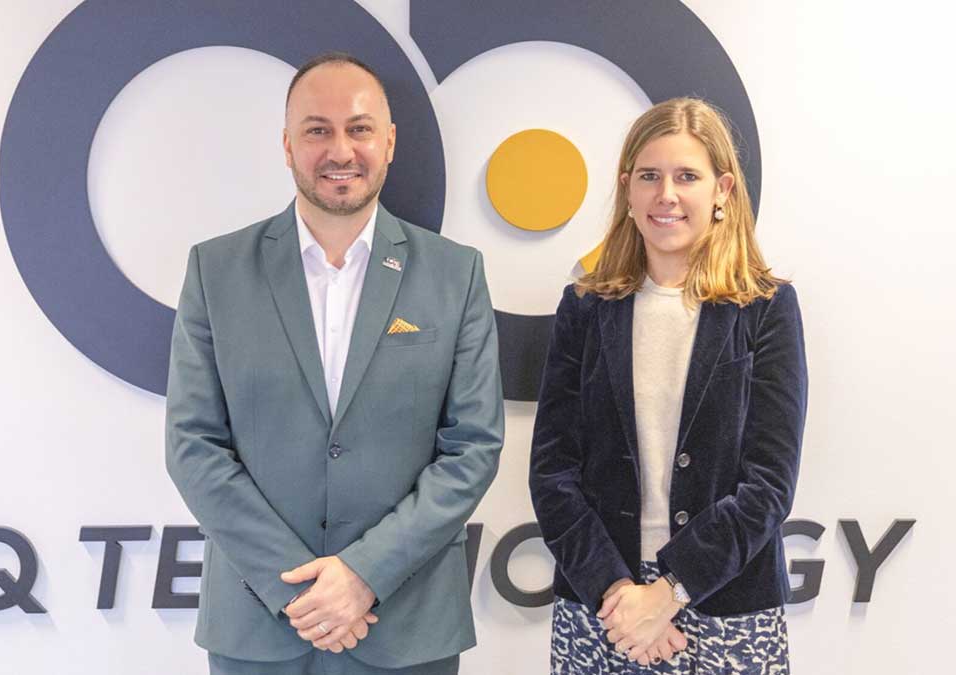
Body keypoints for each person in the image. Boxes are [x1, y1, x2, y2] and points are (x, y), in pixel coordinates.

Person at [165, 51, 504, 675]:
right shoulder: (216, 271)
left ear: (390, 141)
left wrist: (364, 574)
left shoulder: (455, 275)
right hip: (260, 624)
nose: (340, 150)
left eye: (359, 128)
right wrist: (300, 588)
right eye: (317, 130)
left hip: (408, 626)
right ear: (287, 145)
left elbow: (474, 447)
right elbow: (193, 444)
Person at [529, 97, 807, 674]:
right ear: (627, 190)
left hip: (727, 605)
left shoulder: (766, 308)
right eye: (649, 176)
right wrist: (618, 595)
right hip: (603, 609)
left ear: (722, 190)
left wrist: (669, 593)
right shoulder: (584, 308)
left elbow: (769, 483)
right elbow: (553, 472)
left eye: (687, 176)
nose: (667, 195)